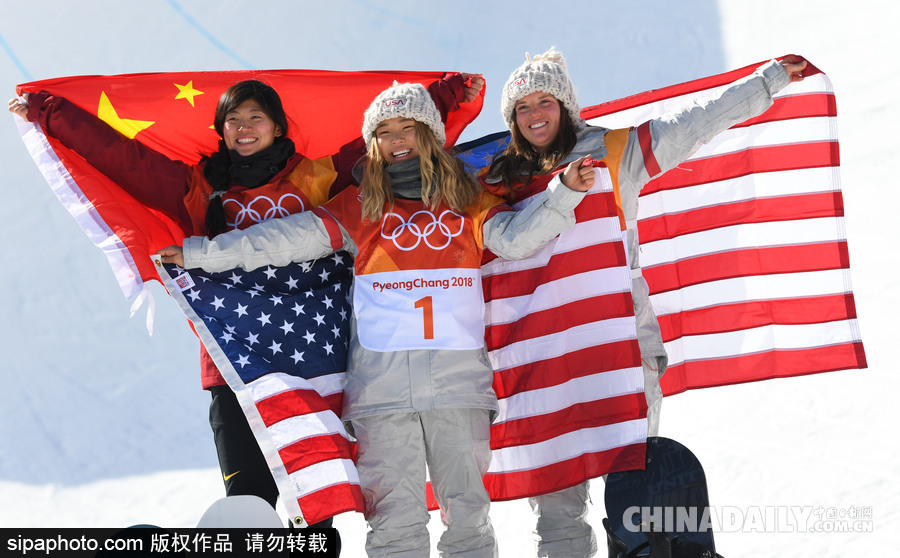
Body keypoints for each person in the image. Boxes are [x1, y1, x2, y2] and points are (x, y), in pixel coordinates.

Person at [7, 74, 479, 537]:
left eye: (257, 116)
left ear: (278, 127)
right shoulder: (198, 186)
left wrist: (448, 96)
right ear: (222, 129)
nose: (245, 126)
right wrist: (54, 115)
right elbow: (124, 159)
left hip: (313, 361)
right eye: (233, 119)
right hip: (236, 366)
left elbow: (394, 139)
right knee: (247, 506)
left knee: (312, 505)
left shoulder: (320, 176)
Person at [158, 81, 593, 557]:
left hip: (458, 389)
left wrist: (562, 196)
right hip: (380, 398)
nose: (397, 139)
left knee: (468, 519)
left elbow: (514, 240)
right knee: (393, 527)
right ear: (374, 143)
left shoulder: (468, 200)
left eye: (409, 127)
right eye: (385, 131)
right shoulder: (359, 205)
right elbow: (280, 240)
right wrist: (202, 253)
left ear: (429, 133)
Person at [481, 48, 808, 557]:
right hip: (543, 359)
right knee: (558, 515)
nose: (535, 114)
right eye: (521, 107)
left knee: (633, 498)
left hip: (622, 349)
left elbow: (694, 123)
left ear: (566, 106)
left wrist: (765, 83)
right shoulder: (497, 180)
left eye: (545, 100)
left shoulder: (615, 151)